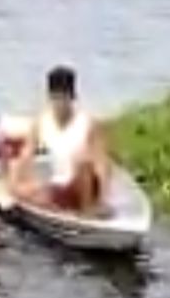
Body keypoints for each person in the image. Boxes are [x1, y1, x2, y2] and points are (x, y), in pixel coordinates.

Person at [11, 66, 110, 215]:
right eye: (56, 97)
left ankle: (88, 209)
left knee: (83, 161)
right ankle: (54, 205)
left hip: (83, 186)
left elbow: (102, 164)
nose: (60, 103)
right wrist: (16, 184)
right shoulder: (41, 122)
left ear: (72, 97)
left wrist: (103, 199)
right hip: (57, 186)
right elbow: (26, 155)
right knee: (20, 185)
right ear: (50, 97)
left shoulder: (88, 124)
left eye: (64, 97)